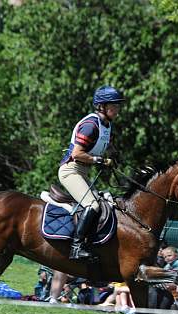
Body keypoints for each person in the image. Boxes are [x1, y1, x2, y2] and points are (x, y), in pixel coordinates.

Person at [58, 85, 125, 260]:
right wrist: (100, 160)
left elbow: (108, 147)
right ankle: (76, 246)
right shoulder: (90, 125)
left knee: (104, 205)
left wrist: (115, 157)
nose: (118, 109)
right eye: (114, 105)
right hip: (70, 170)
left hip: (83, 172)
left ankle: (91, 243)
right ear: (102, 106)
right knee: (93, 205)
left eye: (118, 105)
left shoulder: (107, 125)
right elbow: (77, 154)